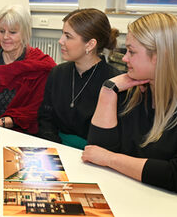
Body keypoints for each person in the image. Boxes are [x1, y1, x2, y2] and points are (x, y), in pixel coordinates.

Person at [82, 13, 177, 193]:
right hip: (136, 192)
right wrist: (108, 91)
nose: (124, 59)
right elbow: (97, 151)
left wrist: (111, 159)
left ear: (160, 56)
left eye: (131, 52)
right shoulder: (135, 86)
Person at [37, 8, 122, 149]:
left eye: (68, 36)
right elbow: (46, 119)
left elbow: (111, 139)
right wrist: (55, 148)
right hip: (55, 147)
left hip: (93, 156)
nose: (60, 41)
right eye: (62, 34)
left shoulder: (114, 82)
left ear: (90, 44)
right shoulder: (57, 73)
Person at [0, 5, 56, 134]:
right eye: (1, 31)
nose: (5, 37)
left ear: (25, 33)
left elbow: (37, 110)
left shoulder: (39, 65)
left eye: (13, 32)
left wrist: (4, 122)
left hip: (22, 133)